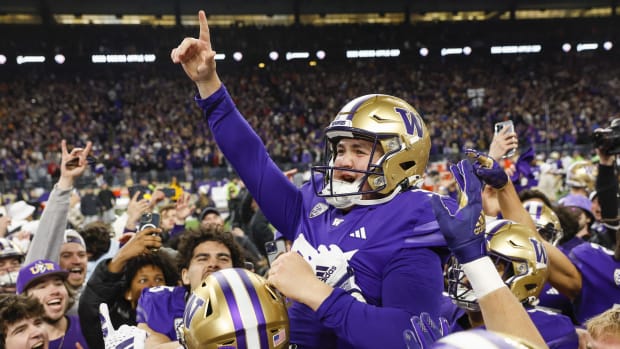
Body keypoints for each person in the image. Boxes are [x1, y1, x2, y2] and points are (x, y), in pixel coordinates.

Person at [172, 11, 455, 348]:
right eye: (341, 149)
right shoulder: (314, 204)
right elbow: (253, 162)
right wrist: (209, 85)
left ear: (402, 158)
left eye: (360, 150)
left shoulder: (411, 221)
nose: (344, 160)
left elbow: (412, 336)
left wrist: (317, 292)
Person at [136, 225, 245, 347]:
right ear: (185, 276)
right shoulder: (159, 301)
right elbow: (152, 345)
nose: (213, 264)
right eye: (203, 259)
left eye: (223, 259)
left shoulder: (249, 307)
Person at [79, 226, 178, 349]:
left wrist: (155, 249)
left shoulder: (183, 326)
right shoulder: (114, 335)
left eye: (159, 279)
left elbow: (189, 266)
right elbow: (91, 305)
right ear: (128, 293)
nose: (153, 285)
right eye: (143, 280)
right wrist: (122, 256)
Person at [16, 259, 88, 349]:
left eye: (58, 284)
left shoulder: (91, 326)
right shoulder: (19, 344)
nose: (55, 291)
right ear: (24, 299)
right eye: (42, 287)